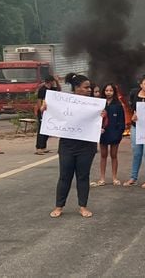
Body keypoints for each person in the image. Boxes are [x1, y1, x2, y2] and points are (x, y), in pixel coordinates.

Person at [49, 73, 100, 218]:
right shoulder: (64, 101)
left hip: (86, 146)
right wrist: (46, 107)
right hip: (67, 145)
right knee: (65, 176)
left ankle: (83, 206)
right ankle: (59, 206)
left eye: (89, 87)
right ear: (77, 88)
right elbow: (52, 113)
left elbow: (101, 122)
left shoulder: (94, 104)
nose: (89, 90)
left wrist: (102, 115)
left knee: (83, 176)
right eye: (86, 87)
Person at [123, 75, 145, 188]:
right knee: (136, 153)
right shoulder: (134, 94)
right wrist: (132, 117)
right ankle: (133, 178)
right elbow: (131, 108)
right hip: (136, 127)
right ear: (141, 85)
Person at [91, 83, 125, 187]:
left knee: (114, 155)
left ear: (114, 92)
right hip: (103, 133)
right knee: (103, 155)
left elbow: (122, 121)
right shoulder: (100, 104)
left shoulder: (118, 105)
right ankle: (102, 178)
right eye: (106, 90)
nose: (108, 92)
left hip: (114, 133)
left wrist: (119, 133)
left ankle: (115, 177)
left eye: (110, 91)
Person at [34, 75, 60, 155]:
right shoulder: (42, 90)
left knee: (47, 129)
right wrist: (40, 111)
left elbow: (59, 90)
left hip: (49, 112)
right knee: (41, 130)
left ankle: (43, 147)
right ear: (50, 81)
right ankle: (39, 148)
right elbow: (39, 101)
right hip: (42, 111)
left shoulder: (51, 89)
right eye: (53, 82)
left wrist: (57, 82)